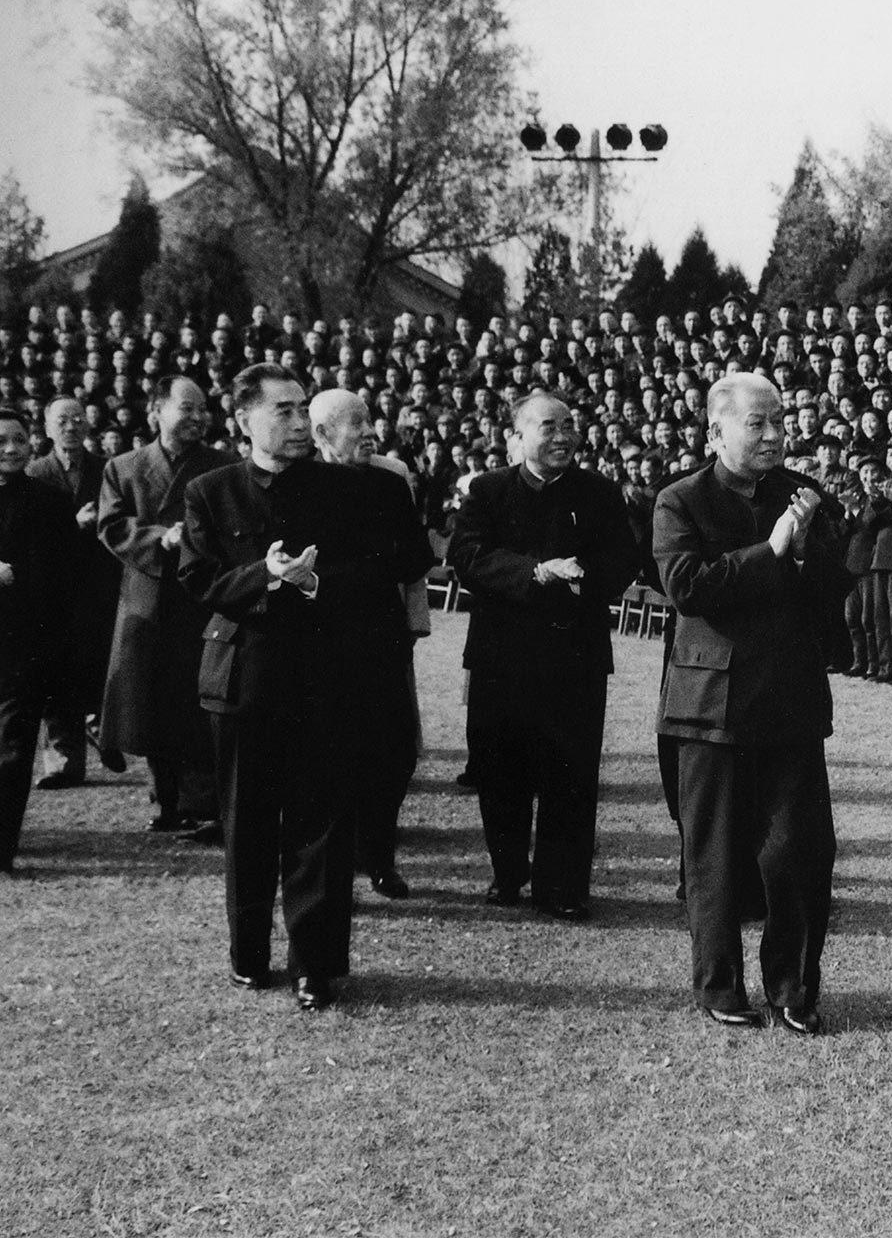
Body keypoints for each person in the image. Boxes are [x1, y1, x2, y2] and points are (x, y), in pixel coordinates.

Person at [179, 364, 433, 1009]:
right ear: (244, 421)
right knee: (248, 821)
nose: (298, 423)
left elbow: (383, 567)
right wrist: (262, 575)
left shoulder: (347, 489)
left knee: (321, 823)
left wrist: (316, 583)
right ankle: (248, 953)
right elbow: (198, 580)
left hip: (328, 678)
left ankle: (313, 965)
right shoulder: (211, 490)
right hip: (247, 680)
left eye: (301, 410)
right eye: (283, 412)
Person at [652, 373, 852, 1035]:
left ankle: (793, 987)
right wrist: (771, 551)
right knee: (712, 854)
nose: (772, 436)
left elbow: (833, 584)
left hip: (789, 701)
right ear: (715, 432)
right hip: (709, 706)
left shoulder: (806, 496)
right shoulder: (680, 500)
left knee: (801, 850)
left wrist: (802, 556)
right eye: (756, 424)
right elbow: (688, 586)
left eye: (778, 423)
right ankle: (719, 985)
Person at [449, 391, 640, 918]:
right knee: (499, 769)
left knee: (571, 775)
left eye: (570, 425)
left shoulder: (599, 492)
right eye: (549, 427)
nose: (562, 437)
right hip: (501, 657)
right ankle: (507, 874)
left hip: (574, 657)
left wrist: (582, 581)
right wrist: (535, 572)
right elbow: (465, 555)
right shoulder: (488, 490)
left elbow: (625, 557)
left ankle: (561, 887)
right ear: (519, 436)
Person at [97, 377, 237, 834]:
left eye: (203, 409)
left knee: (200, 701)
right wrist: (161, 536)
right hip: (148, 599)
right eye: (187, 408)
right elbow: (113, 525)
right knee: (150, 702)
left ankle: (205, 801)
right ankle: (166, 798)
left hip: (200, 597)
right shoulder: (124, 467)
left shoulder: (222, 465)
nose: (198, 417)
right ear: (156, 410)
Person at [308, 387, 428, 901]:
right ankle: (333, 868)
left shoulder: (389, 484)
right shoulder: (301, 486)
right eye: (355, 424)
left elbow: (414, 556)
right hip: (321, 641)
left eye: (369, 421)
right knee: (331, 757)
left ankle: (381, 857)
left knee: (393, 750)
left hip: (382, 636)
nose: (369, 432)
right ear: (321, 434)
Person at [26, 397, 122, 787]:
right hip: (51, 590)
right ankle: (64, 759)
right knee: (56, 674)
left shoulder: (107, 469)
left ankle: (104, 729)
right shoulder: (34, 473)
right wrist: (72, 523)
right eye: (62, 420)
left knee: (100, 665)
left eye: (78, 419)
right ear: (48, 428)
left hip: (98, 586)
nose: (71, 426)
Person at [0, 408, 76, 872]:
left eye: (18, 439)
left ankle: (2, 847)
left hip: (21, 645)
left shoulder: (49, 501)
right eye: (1, 440)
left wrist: (15, 577)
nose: (10, 449)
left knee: (12, 747)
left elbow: (63, 575)